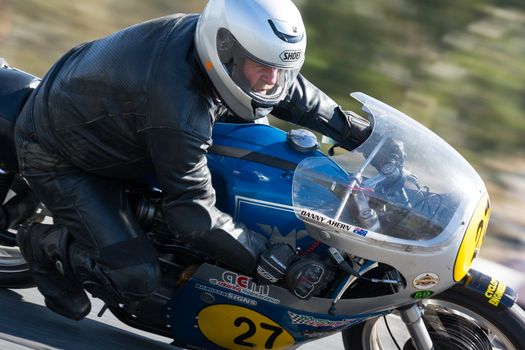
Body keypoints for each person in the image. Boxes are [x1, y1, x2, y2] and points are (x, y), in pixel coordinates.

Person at [14, 0, 371, 320]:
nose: (272, 80)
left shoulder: (220, 48)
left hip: (117, 120)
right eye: (262, 67)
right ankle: (45, 244)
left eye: (281, 67)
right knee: (137, 278)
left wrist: (360, 135)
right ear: (226, 49)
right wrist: (272, 263)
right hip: (61, 154)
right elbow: (193, 216)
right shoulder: (179, 108)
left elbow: (290, 91)